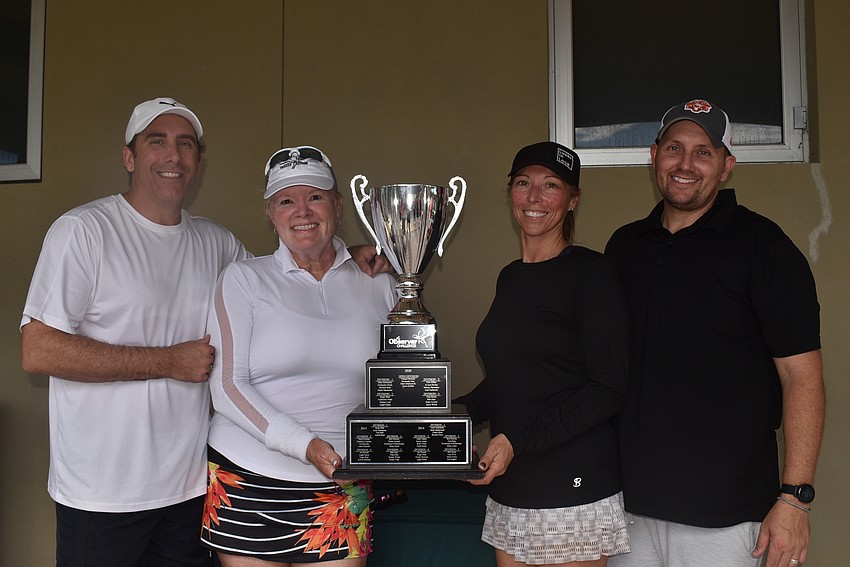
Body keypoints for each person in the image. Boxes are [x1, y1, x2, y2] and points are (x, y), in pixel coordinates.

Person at [20, 99, 387, 567]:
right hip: (103, 490)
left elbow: (284, 277)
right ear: (129, 157)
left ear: (197, 160)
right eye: (157, 141)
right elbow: (37, 350)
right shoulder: (84, 231)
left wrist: (347, 252)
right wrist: (167, 360)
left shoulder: (216, 244)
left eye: (185, 144)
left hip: (189, 484)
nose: (173, 156)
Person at [604, 99, 825, 567]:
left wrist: (794, 499)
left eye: (704, 152)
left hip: (726, 516)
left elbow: (801, 377)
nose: (686, 164)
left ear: (727, 165)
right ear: (654, 154)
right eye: (674, 148)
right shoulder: (624, 247)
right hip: (628, 509)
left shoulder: (765, 248)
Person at [200, 145, 398, 566]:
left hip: (341, 477)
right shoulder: (243, 279)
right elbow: (227, 386)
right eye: (286, 201)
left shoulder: (380, 281)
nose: (302, 211)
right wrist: (304, 444)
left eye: (316, 197)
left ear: (338, 205)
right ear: (271, 214)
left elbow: (399, 379)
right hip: (247, 474)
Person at [455, 141, 631, 567]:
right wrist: (453, 414)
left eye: (550, 185)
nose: (534, 197)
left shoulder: (592, 274)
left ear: (573, 200)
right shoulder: (511, 276)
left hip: (572, 483)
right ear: (511, 193)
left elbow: (608, 389)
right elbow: (508, 379)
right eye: (523, 183)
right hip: (512, 482)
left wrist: (517, 440)